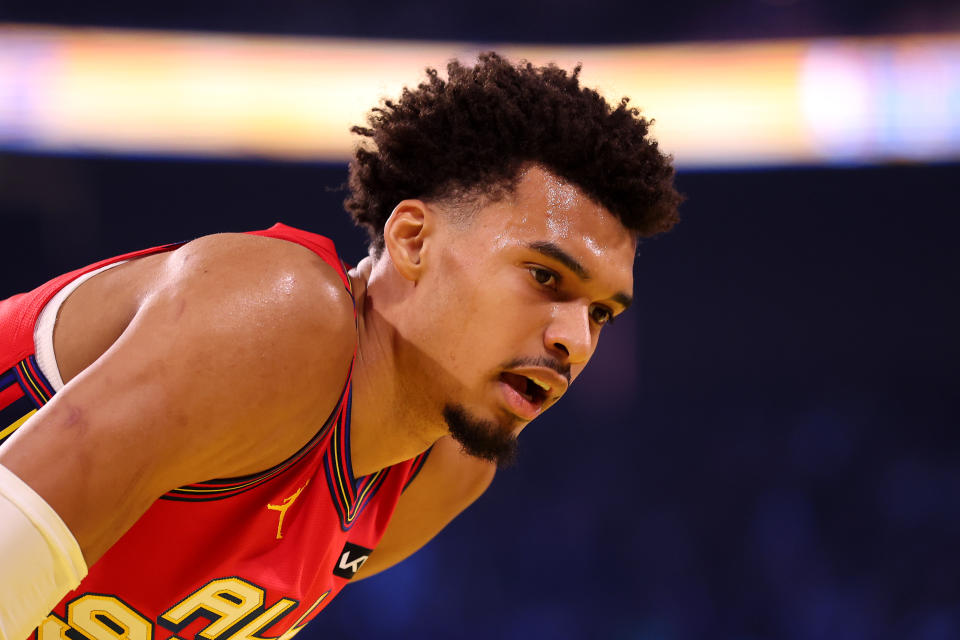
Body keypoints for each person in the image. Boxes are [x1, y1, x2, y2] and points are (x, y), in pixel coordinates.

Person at [0, 52, 681, 640]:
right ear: (412, 240)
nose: (573, 339)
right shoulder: (279, 315)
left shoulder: (448, 470)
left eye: (601, 313)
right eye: (543, 276)